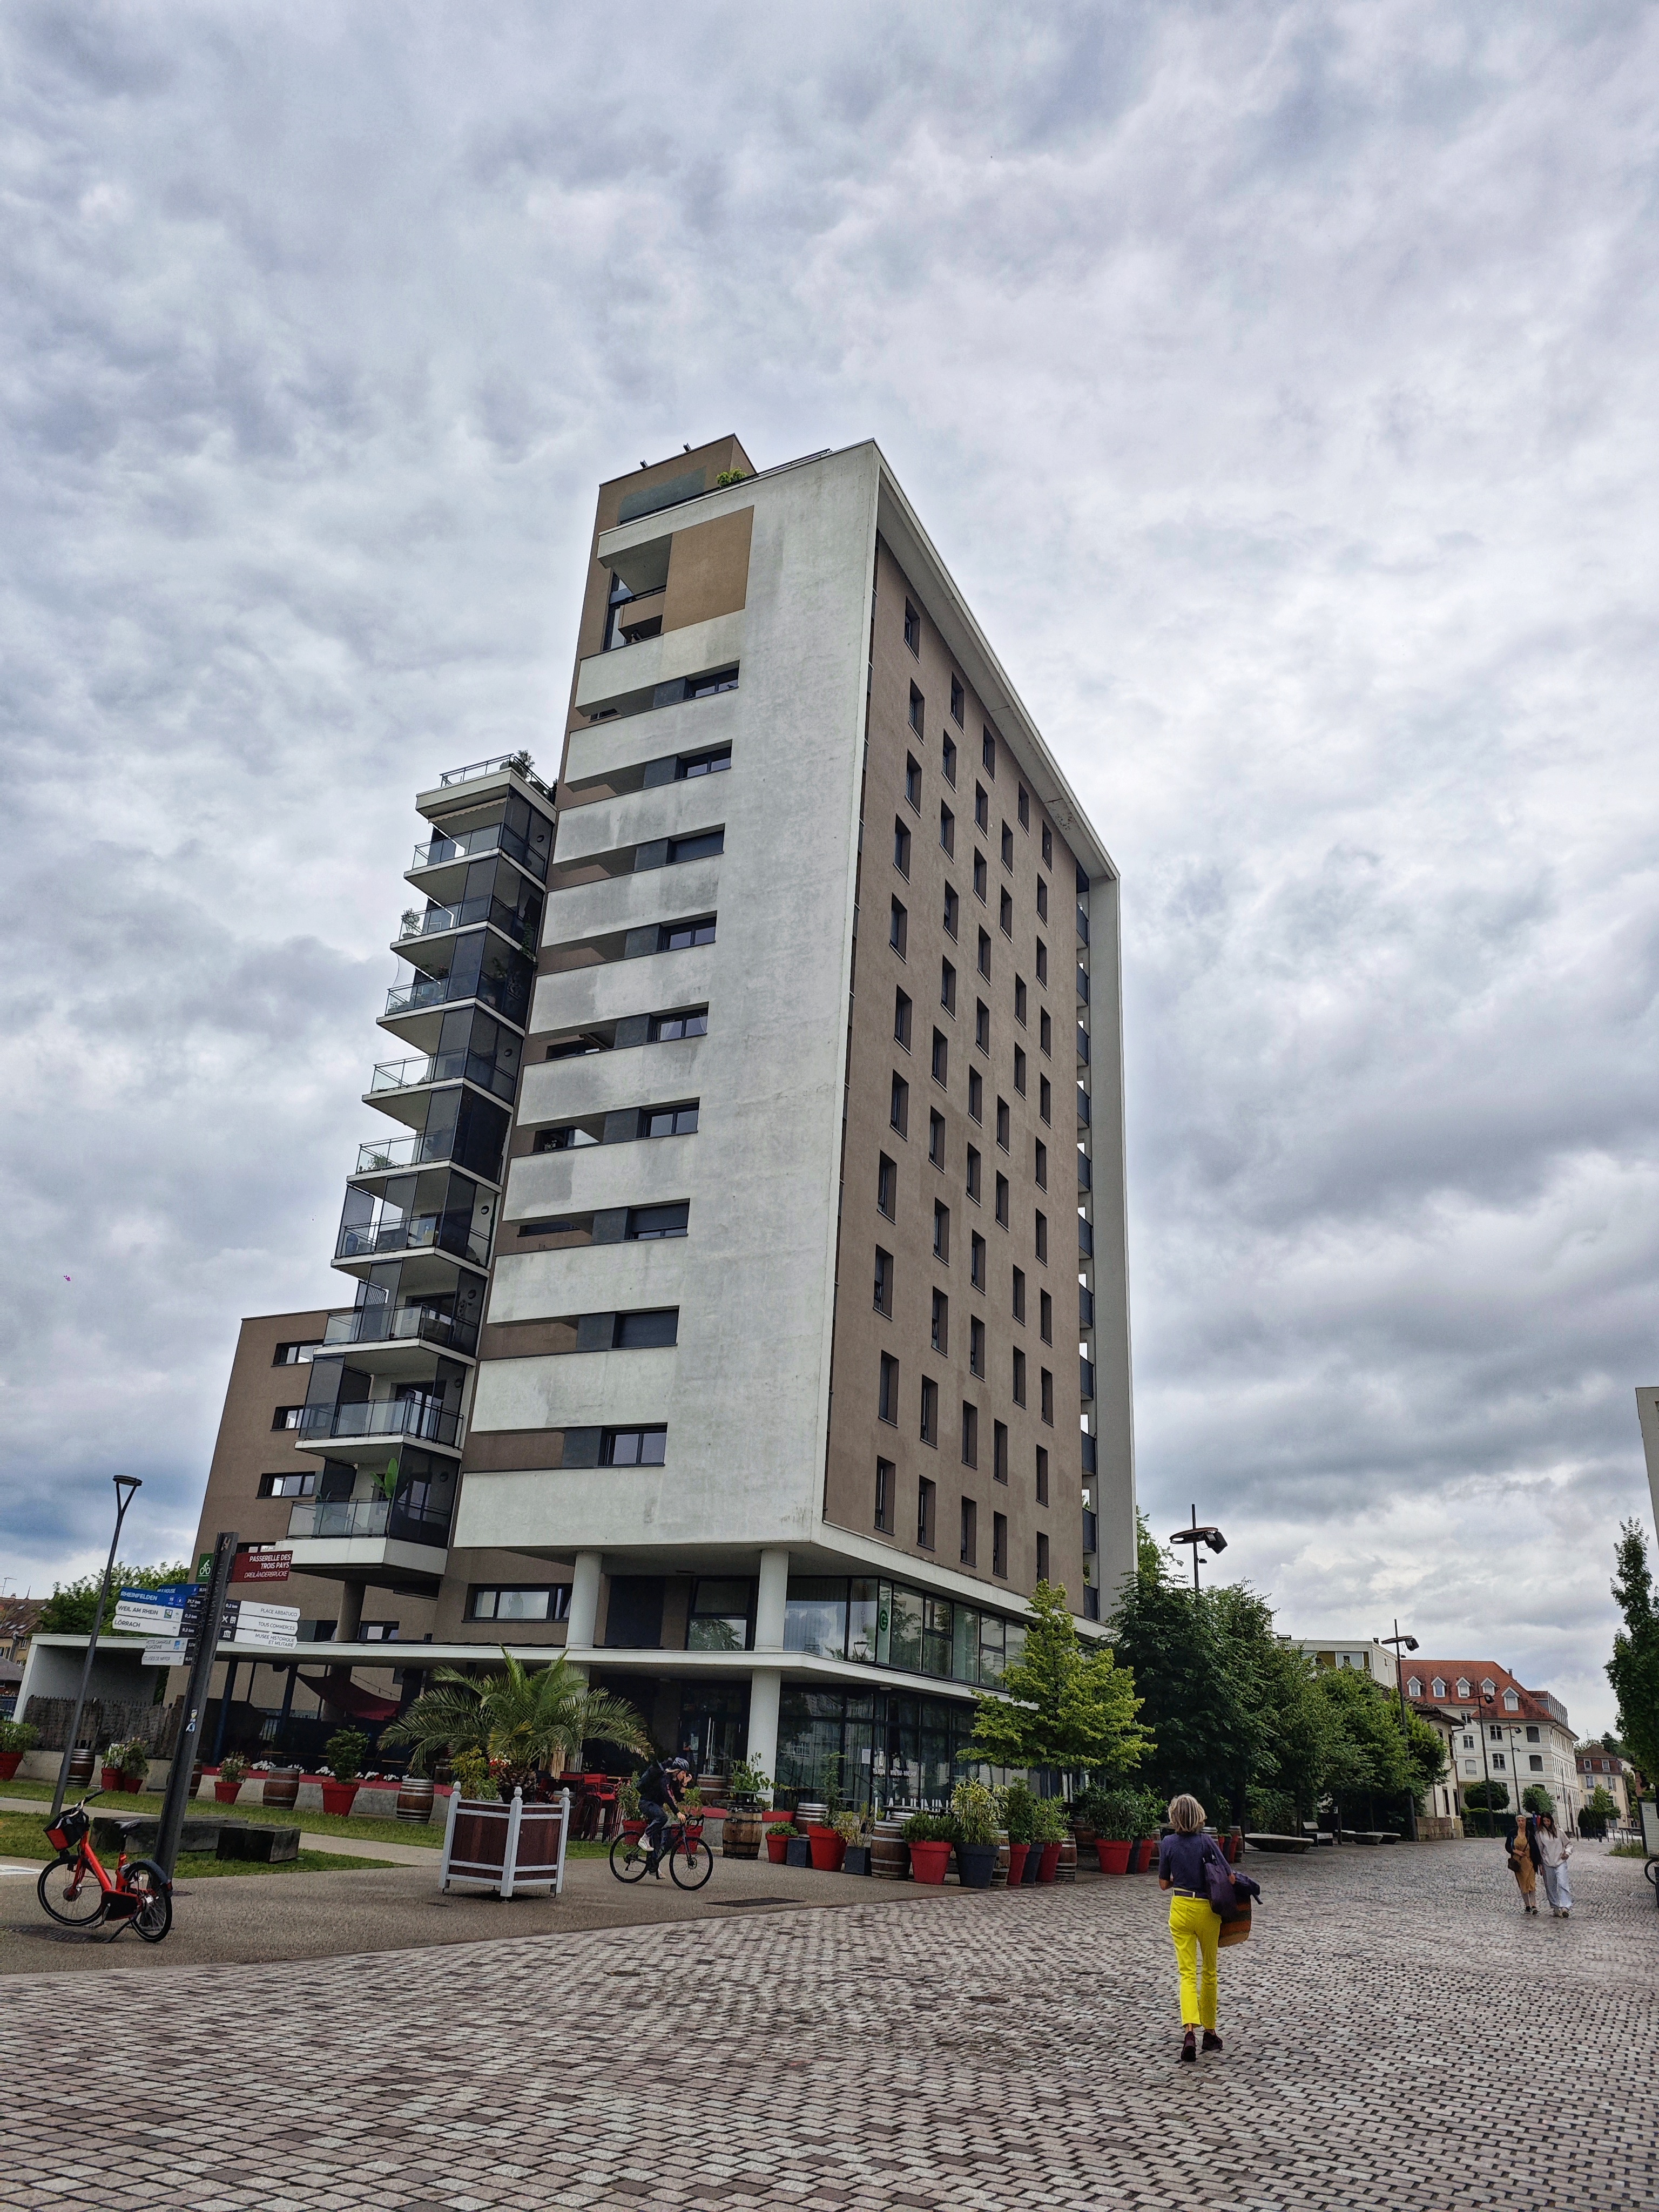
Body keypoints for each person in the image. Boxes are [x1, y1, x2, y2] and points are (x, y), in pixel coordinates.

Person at [1157, 1793, 1228, 2062]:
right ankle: (1210, 2032)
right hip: (1207, 1910)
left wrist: (1179, 1878)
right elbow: (1229, 1875)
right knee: (1209, 1971)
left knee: (1186, 1973)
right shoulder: (1206, 1842)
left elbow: (1163, 1884)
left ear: (1174, 1817)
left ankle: (1189, 2032)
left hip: (1181, 1908)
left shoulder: (1168, 1843)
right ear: (1199, 1815)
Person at [636, 1753, 687, 1878]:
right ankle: (644, 1838)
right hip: (646, 1803)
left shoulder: (673, 1781)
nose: (684, 1776)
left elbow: (678, 1798)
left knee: (658, 1839)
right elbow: (668, 1797)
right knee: (663, 1817)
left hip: (655, 1806)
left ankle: (653, 1867)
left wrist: (684, 1785)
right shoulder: (665, 1779)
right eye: (683, 1773)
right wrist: (678, 1812)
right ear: (677, 1771)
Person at [1535, 1812, 1573, 1918]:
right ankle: (1555, 1906)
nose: (1546, 1823)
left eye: (1548, 1821)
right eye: (1544, 1821)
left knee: (1563, 1883)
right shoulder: (1540, 1834)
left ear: (1551, 1821)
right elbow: (1540, 1849)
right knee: (1550, 1885)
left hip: (1560, 1861)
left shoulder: (1559, 1832)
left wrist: (1567, 1853)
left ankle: (1565, 1906)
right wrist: (1540, 1863)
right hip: (1547, 1862)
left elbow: (1569, 1844)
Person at [1507, 1812, 1540, 1914]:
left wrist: (1539, 1863)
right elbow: (1508, 1846)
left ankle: (1534, 1905)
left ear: (1525, 1822)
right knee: (1523, 1884)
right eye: (1519, 1821)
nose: (1521, 1823)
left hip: (1529, 1862)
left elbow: (1535, 1848)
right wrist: (1515, 1851)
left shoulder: (1529, 1834)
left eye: (1523, 1821)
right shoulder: (1513, 1833)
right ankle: (1527, 1906)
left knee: (1531, 1883)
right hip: (1519, 1863)